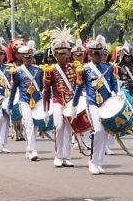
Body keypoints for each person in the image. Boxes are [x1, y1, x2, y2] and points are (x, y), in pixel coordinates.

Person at [71, 35, 119, 175]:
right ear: (90, 54)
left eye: (102, 53)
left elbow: (114, 84)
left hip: (106, 104)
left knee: (104, 133)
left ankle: (99, 162)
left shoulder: (109, 68)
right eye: (96, 53)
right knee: (97, 131)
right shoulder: (84, 69)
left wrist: (117, 93)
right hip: (92, 104)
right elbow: (79, 88)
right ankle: (92, 161)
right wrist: (74, 106)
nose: (99, 56)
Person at [43, 27, 78, 168]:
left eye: (65, 53)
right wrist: (45, 110)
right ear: (55, 55)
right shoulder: (50, 70)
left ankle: (67, 156)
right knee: (59, 127)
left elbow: (78, 86)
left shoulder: (74, 68)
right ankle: (58, 155)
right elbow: (46, 91)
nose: (63, 56)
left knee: (69, 130)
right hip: (58, 102)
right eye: (60, 54)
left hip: (70, 103)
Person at [8, 40, 44, 162]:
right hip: (24, 101)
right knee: (28, 124)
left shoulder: (39, 70)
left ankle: (29, 149)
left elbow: (42, 87)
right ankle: (33, 151)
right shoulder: (17, 72)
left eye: (30, 57)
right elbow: (13, 89)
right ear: (22, 58)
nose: (29, 59)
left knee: (34, 128)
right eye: (26, 57)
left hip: (37, 101)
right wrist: (10, 104)